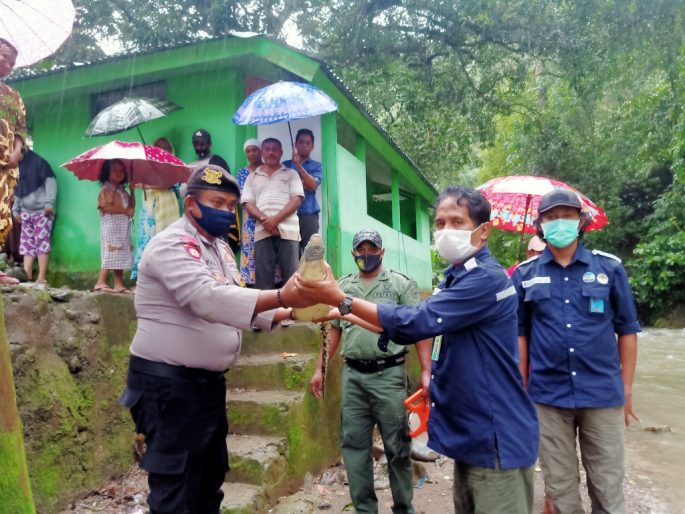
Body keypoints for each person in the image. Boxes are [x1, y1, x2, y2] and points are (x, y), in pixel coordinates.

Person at [297, 187, 539, 514]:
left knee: (399, 448)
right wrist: (339, 310)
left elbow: (417, 322)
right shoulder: (455, 279)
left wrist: (343, 300)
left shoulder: (483, 279)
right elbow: (405, 325)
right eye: (439, 223)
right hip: (473, 431)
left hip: (494, 433)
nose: (445, 231)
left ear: (483, 230)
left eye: (457, 221)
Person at [118, 164, 309, 514]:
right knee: (175, 491)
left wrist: (294, 312)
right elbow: (207, 298)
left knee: (208, 482)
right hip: (167, 389)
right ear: (191, 204)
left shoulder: (219, 248)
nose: (225, 212)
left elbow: (234, 295)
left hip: (205, 387)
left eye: (230, 206)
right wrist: (283, 296)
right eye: (216, 203)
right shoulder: (171, 244)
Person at [511, 189, 641, 514]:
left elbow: (627, 330)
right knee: (561, 491)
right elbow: (520, 335)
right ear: (539, 224)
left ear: (580, 221)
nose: (559, 222)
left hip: (602, 395)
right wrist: (522, 389)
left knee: (609, 490)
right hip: (547, 397)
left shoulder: (609, 268)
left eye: (566, 215)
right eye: (551, 217)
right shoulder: (525, 276)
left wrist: (626, 389)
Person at [309, 229, 432, 514]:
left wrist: (426, 369)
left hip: (389, 374)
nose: (366, 254)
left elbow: (420, 329)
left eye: (372, 248)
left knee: (398, 446)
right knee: (353, 446)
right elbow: (334, 331)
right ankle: (365, 509)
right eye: (361, 248)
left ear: (382, 252)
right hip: (353, 376)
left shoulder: (401, 285)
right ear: (353, 253)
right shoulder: (342, 287)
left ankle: (404, 507)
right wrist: (320, 369)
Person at [241, 138, 303, 289]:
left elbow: (297, 200)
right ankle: (268, 314)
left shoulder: (291, 173)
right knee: (263, 281)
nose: (270, 152)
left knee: (291, 279)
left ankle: (291, 312)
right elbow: (248, 203)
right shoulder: (252, 176)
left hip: (288, 232)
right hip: (262, 232)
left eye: (274, 149)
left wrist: (275, 220)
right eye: (267, 149)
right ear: (262, 152)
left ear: (281, 152)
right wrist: (265, 221)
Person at [131, 137, 181, 281]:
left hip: (168, 211)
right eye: (159, 147)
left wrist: (148, 185)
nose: (162, 150)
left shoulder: (174, 166)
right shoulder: (147, 166)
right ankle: (144, 280)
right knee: (147, 243)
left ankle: (165, 280)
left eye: (166, 147)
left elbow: (167, 184)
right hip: (149, 212)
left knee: (166, 243)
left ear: (171, 150)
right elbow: (137, 183)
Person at [0, 38, 26, 285]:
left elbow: (21, 130)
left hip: (6, 166)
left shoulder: (13, 96)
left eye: (12, 62)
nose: (8, 64)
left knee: (1, 213)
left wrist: (17, 151)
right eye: (4, 57)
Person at [13, 147, 57, 287]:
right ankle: (27, 274)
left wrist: (49, 203)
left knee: (41, 243)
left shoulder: (40, 163)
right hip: (26, 212)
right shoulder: (21, 169)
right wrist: (16, 210)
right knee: (27, 244)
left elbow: (51, 182)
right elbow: (19, 190)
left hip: (42, 212)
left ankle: (42, 277)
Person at [93, 159, 134, 293]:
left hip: (122, 227)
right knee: (111, 253)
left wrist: (133, 192)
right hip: (111, 226)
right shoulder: (107, 188)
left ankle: (118, 284)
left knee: (120, 254)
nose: (119, 172)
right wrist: (125, 211)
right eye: (114, 170)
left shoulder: (122, 190)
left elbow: (131, 208)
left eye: (121, 170)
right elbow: (105, 207)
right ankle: (100, 282)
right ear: (107, 173)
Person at [282, 128, 323, 252]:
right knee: (290, 253)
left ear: (312, 146)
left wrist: (298, 165)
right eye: (301, 142)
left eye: (308, 143)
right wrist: (303, 182)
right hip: (287, 214)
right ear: (295, 145)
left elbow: (312, 185)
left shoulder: (317, 166)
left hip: (309, 214)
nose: (304, 145)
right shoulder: (285, 165)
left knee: (310, 253)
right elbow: (283, 186)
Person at [236, 138, 263, 286]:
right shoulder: (242, 173)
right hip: (250, 217)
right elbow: (243, 197)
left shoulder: (268, 169)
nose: (252, 153)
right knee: (250, 248)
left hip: (269, 216)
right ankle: (251, 283)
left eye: (255, 149)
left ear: (261, 151)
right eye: (248, 151)